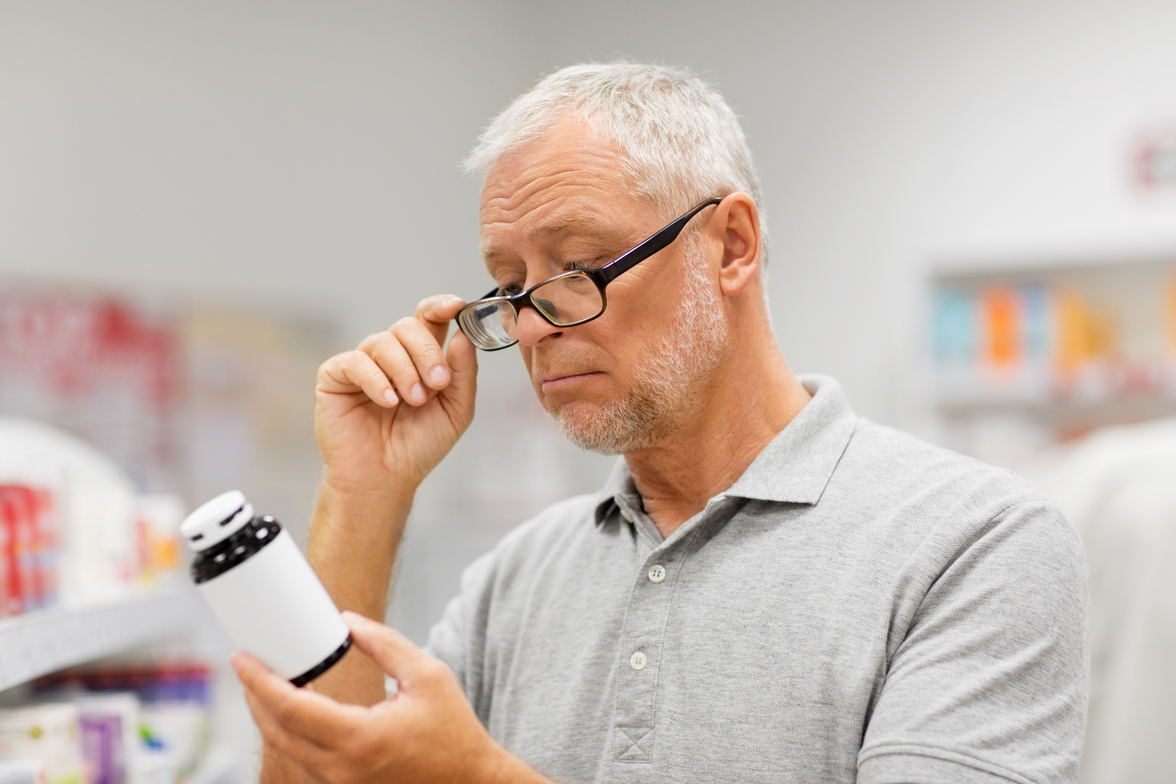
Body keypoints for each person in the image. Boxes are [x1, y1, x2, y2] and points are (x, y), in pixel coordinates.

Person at [231, 62, 1089, 784]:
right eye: (511, 285)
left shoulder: (974, 543)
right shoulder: (517, 579)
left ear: (730, 245)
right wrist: (365, 495)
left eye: (579, 266)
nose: (531, 326)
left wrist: (477, 776)